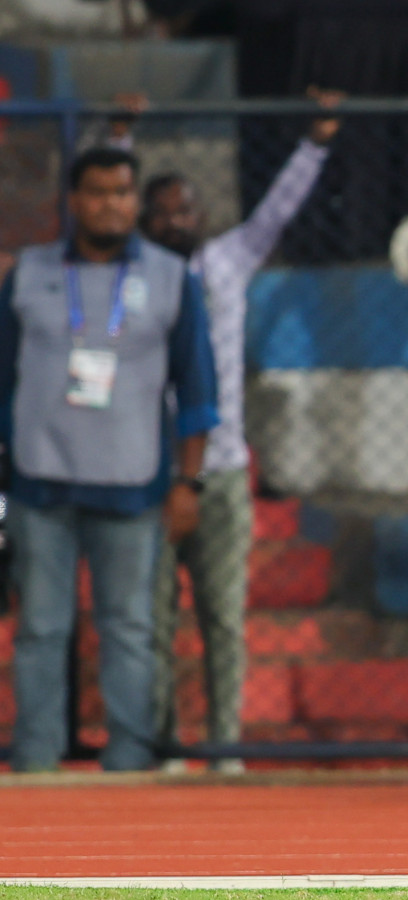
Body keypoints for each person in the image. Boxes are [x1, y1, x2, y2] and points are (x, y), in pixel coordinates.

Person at [136, 87, 343, 772]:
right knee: (152, 620)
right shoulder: (132, 276)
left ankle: (222, 743)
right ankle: (162, 743)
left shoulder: (226, 261)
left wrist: (315, 142)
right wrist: (118, 138)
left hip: (221, 468)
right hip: (147, 469)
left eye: (184, 208)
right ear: (145, 221)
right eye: (161, 212)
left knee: (223, 615)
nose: (174, 220)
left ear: (201, 214)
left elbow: (278, 210)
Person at [0, 147, 218, 772]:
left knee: (129, 628)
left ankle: (130, 758)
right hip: (39, 483)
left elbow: (198, 392)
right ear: (74, 201)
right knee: (42, 628)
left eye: (122, 193)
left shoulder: (174, 279)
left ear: (135, 203)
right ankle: (35, 758)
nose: (110, 205)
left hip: (132, 484)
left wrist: (189, 483)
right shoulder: (29, 273)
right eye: (97, 193)